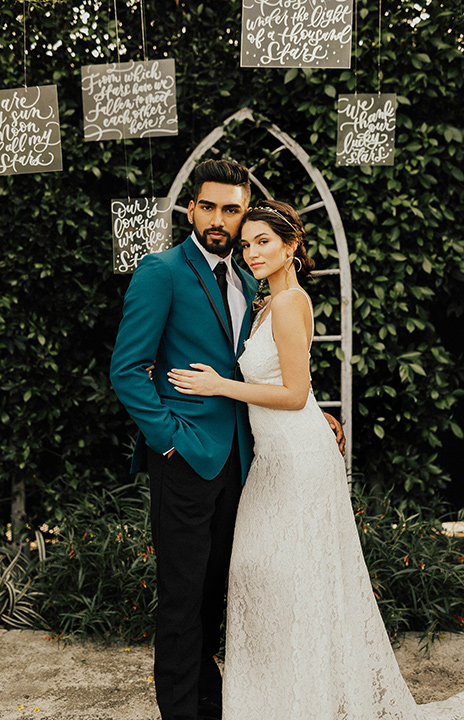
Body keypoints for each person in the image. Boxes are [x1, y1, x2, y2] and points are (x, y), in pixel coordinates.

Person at [167, 200, 464, 720]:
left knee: (296, 578)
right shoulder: (267, 304)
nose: (252, 251)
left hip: (298, 459)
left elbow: (291, 392)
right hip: (274, 455)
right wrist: (317, 412)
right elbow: (296, 386)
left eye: (264, 241)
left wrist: (221, 386)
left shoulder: (291, 303)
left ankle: (305, 701)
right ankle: (282, 696)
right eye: (247, 244)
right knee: (267, 576)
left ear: (292, 245)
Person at [110, 161, 344, 720]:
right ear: (191, 209)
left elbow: (272, 368)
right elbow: (127, 369)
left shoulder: (249, 278)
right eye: (210, 206)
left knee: (219, 594)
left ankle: (214, 703)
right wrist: (171, 441)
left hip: (246, 462)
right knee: (183, 598)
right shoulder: (160, 271)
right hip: (188, 458)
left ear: (243, 217)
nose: (220, 219)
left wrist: (313, 412)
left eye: (232, 209)